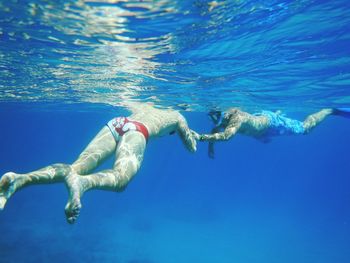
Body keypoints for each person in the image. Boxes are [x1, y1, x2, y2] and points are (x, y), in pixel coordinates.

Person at [0, 103, 197, 224]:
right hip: (138, 132)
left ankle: (20, 180)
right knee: (120, 180)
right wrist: (189, 135)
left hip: (118, 123)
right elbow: (191, 147)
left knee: (75, 167)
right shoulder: (178, 116)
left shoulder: (148, 104)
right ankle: (83, 184)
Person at [196, 107, 350, 159]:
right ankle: (276, 114)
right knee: (263, 139)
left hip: (272, 124)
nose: (218, 123)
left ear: (225, 115)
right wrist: (211, 148)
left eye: (220, 119)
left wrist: (199, 137)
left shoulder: (237, 117)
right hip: (261, 129)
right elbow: (215, 130)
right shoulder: (221, 120)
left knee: (305, 129)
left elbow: (226, 137)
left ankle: (330, 111)